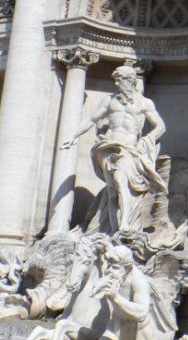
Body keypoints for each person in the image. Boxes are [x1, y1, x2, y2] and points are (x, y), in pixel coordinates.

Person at [62, 64, 170, 241]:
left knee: (121, 182)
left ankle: (125, 223)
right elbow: (91, 119)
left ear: (131, 81)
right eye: (116, 81)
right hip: (108, 147)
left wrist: (146, 140)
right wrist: (73, 136)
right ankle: (114, 229)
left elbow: (160, 126)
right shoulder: (110, 101)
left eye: (120, 80)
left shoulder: (144, 103)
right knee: (112, 192)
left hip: (128, 149)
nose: (117, 84)